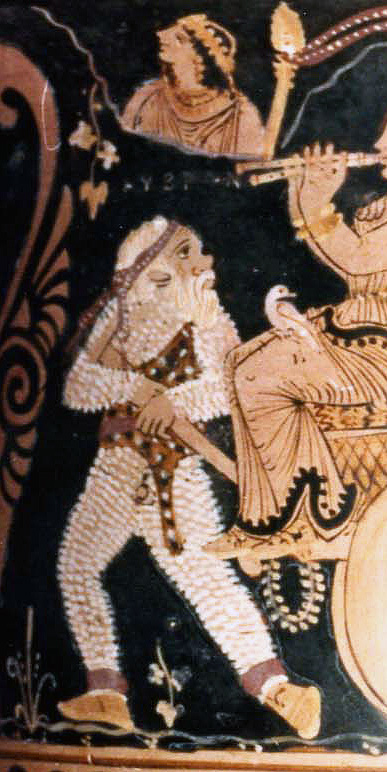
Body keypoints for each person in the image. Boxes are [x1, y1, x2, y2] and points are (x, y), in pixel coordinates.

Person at [57, 217, 320, 738]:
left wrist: (171, 402)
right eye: (188, 253)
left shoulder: (206, 316)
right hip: (117, 467)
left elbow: (227, 389)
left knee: (205, 579)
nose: (205, 263)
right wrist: (135, 390)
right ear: (153, 268)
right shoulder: (122, 313)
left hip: (172, 470)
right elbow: (78, 386)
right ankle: (106, 693)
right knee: (77, 566)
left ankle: (281, 691)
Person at [206, 94, 387, 560]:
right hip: (354, 337)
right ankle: (264, 517)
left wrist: (317, 199)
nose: (379, 145)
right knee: (238, 363)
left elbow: (358, 257)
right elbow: (343, 264)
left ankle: (307, 514)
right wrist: (303, 190)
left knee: (259, 375)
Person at [122, 14, 264, 155]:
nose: (163, 36)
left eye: (180, 39)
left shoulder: (240, 115)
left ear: (201, 56)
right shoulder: (147, 97)